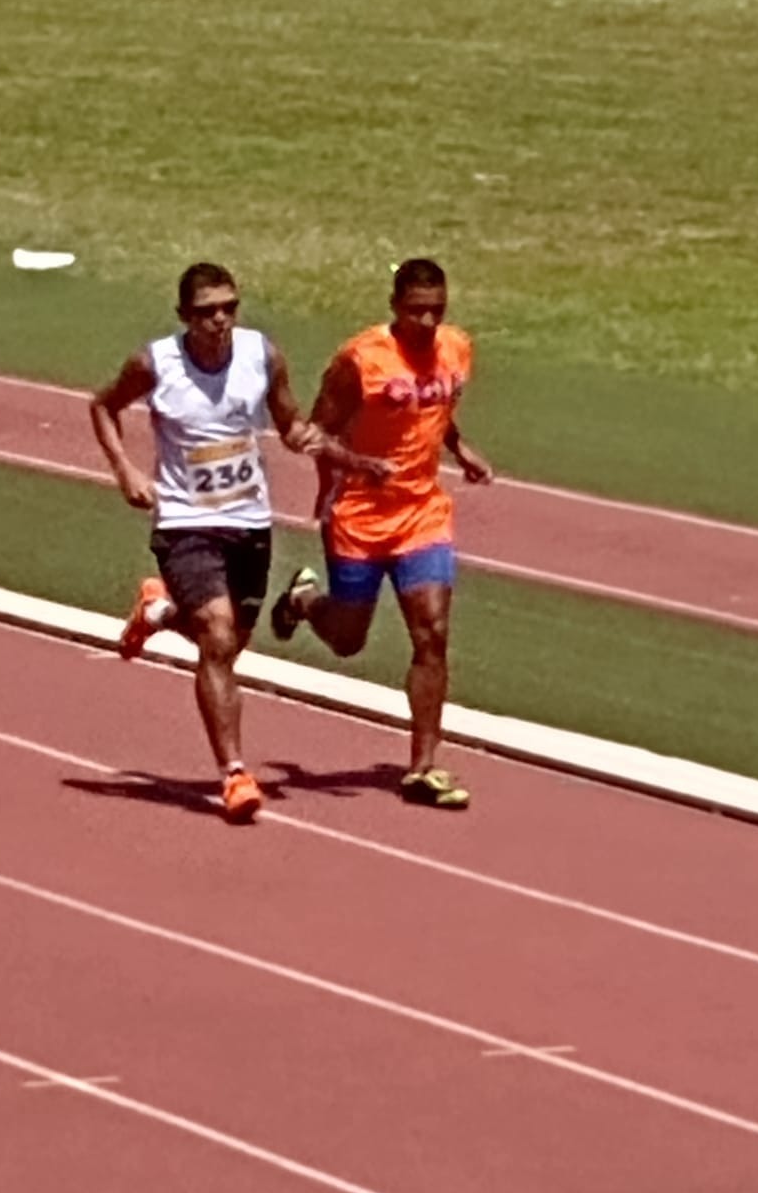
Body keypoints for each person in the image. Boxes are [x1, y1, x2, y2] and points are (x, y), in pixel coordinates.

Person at [90, 262, 387, 825]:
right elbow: (101, 407)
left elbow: (293, 427)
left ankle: (157, 610)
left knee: (228, 640)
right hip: (184, 522)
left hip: (249, 523)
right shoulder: (156, 364)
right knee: (220, 637)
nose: (220, 321)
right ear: (184, 316)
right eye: (206, 312)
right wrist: (125, 471)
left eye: (229, 308)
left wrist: (355, 461)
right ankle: (234, 774)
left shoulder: (261, 355)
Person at [270, 258, 493, 811]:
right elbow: (310, 435)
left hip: (422, 513)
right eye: (415, 310)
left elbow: (433, 408)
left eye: (436, 310)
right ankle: (303, 599)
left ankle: (423, 766)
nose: (426, 321)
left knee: (432, 633)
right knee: (348, 640)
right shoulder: (360, 360)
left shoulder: (457, 348)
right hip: (358, 512)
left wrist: (459, 447)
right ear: (394, 306)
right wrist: (359, 462)